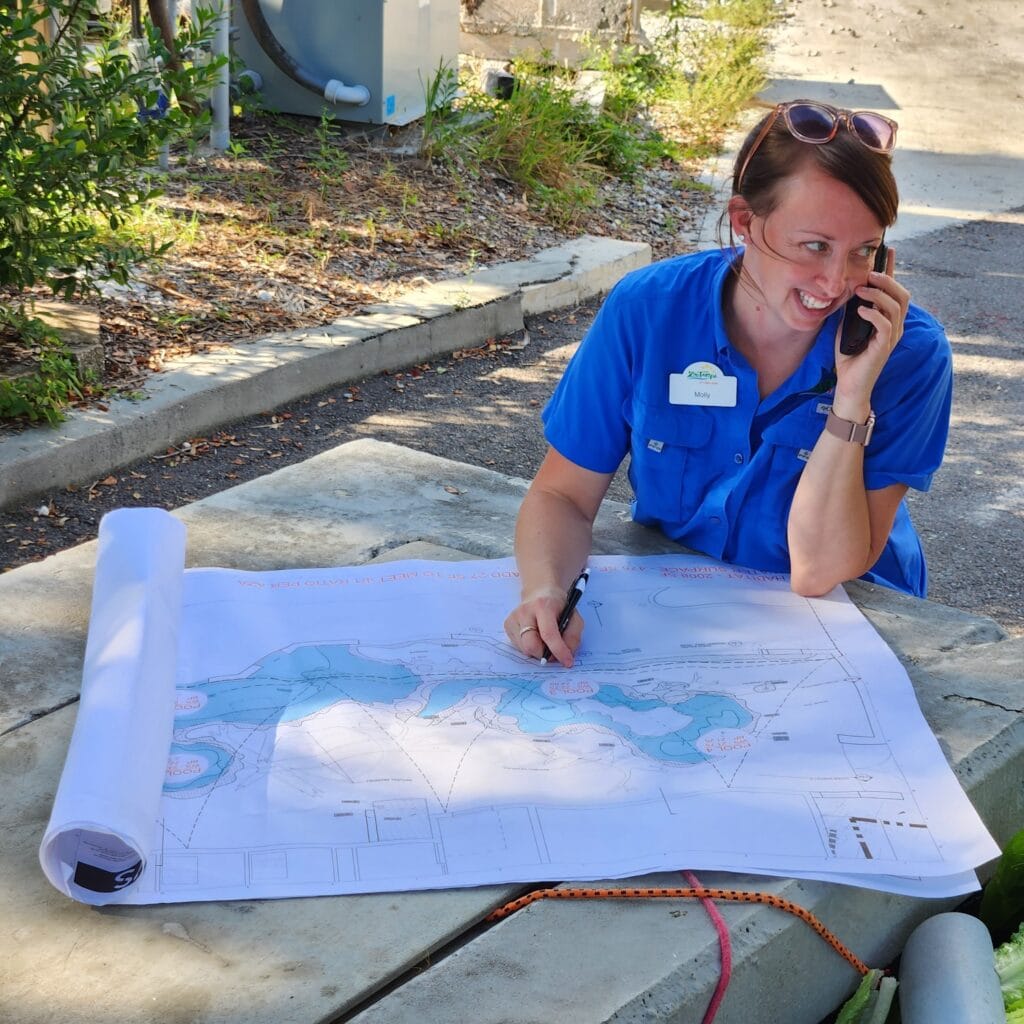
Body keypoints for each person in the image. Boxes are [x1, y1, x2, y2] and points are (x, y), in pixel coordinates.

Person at [504, 100, 953, 667]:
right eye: (814, 246)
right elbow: (562, 495)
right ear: (744, 222)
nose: (836, 282)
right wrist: (546, 591)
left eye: (863, 251)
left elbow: (819, 570)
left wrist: (851, 398)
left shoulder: (907, 350)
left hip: (849, 626)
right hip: (680, 613)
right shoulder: (649, 309)